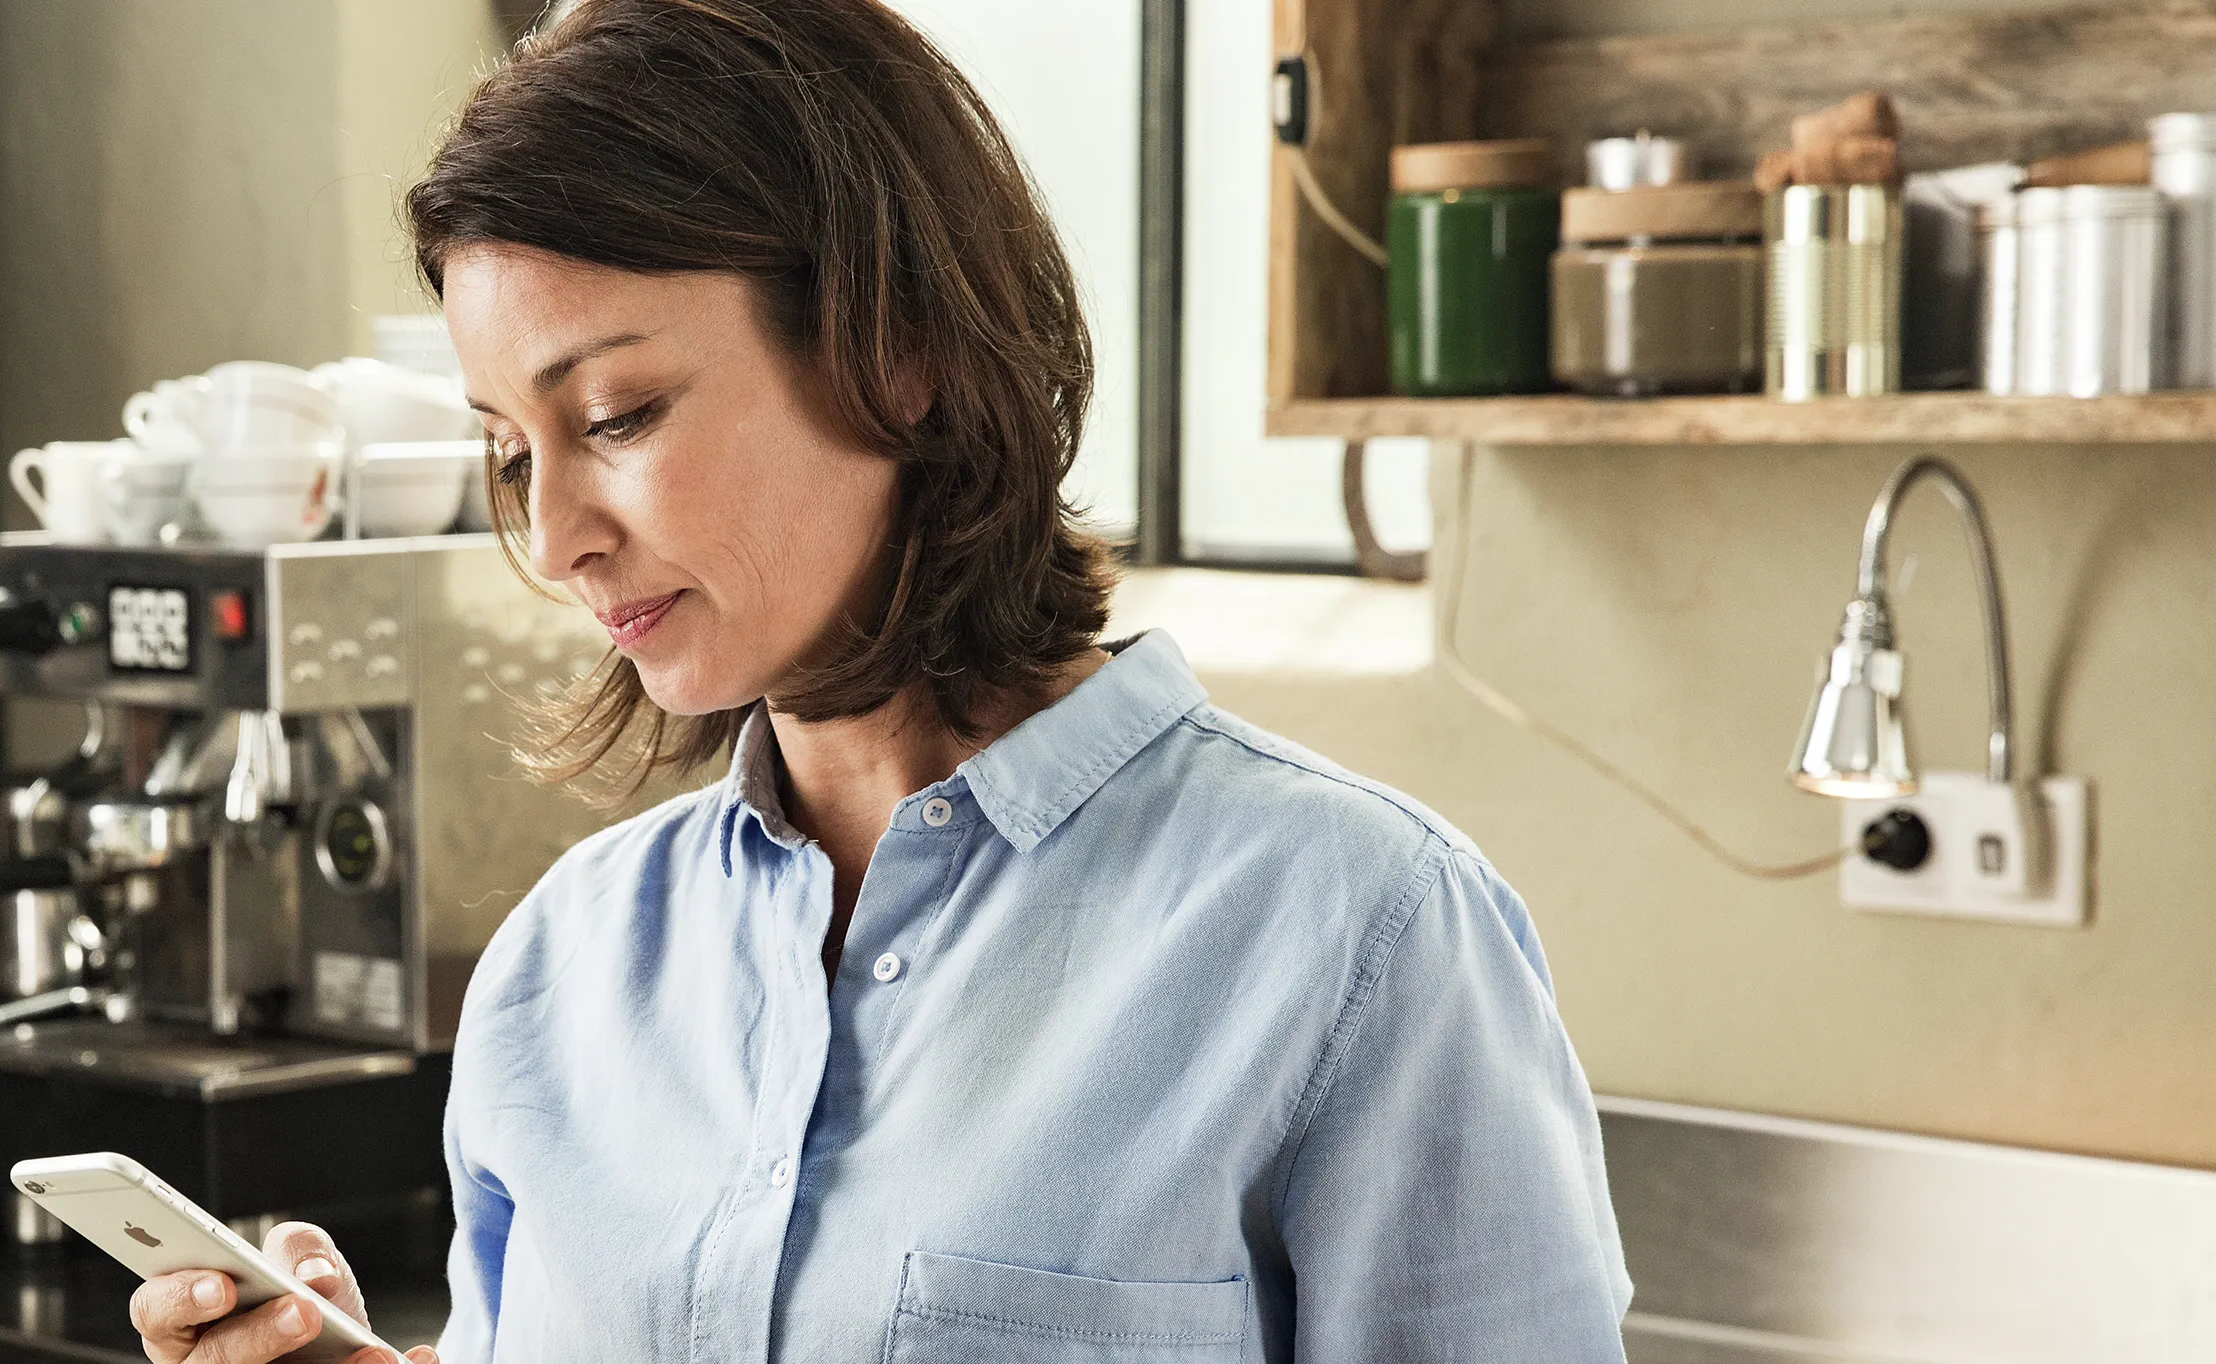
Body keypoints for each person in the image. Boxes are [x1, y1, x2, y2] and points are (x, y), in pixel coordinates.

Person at [131, 1, 1632, 1359]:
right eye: (512, 451)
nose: (557, 534)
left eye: (620, 413)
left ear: (896, 347)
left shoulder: (1359, 937)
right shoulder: (561, 970)